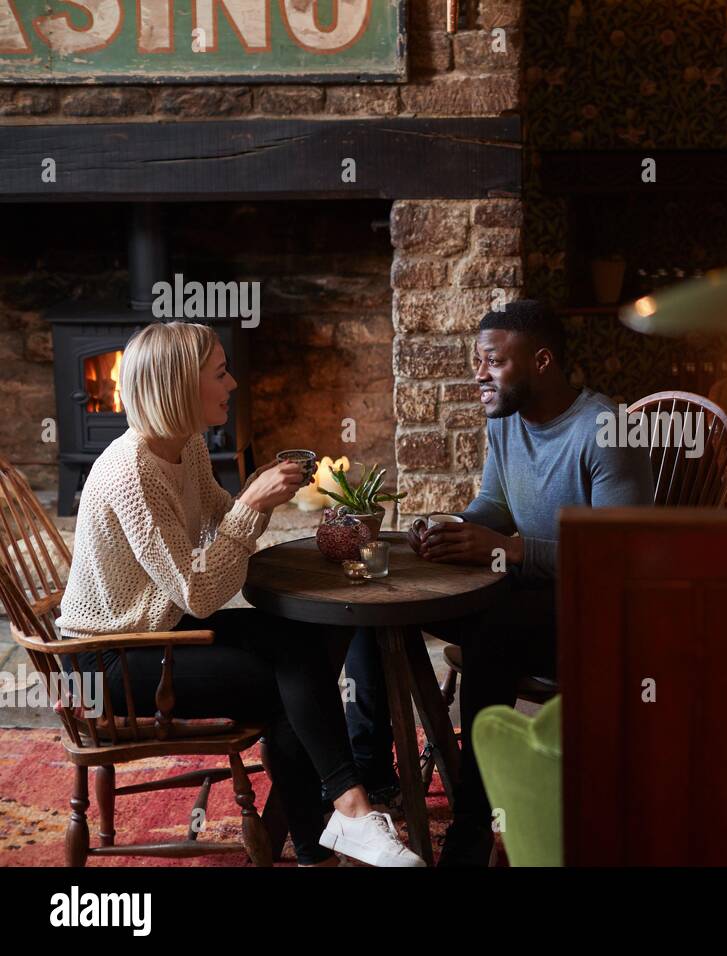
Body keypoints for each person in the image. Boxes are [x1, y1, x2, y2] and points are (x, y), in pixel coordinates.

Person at [54, 321, 423, 867]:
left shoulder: (188, 448)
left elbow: (223, 521)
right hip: (105, 662)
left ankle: (334, 822)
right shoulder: (132, 476)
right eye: (220, 373)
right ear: (181, 385)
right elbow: (199, 590)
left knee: (299, 642)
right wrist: (254, 506)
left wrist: (262, 499)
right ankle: (335, 823)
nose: (233, 384)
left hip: (157, 631)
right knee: (289, 687)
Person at [407, 299, 654, 866]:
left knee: (492, 631)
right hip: (535, 597)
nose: (478, 373)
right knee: (388, 607)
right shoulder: (507, 423)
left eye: (492, 361)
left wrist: (511, 550)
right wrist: (453, 529)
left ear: (541, 362)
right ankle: (374, 786)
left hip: (603, 619)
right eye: (477, 360)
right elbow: (494, 503)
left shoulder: (603, 431)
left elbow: (617, 560)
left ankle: (471, 829)